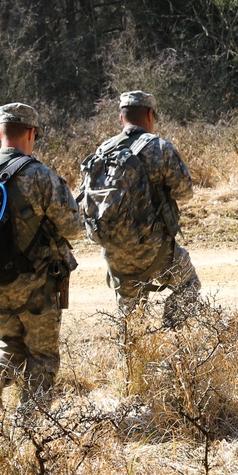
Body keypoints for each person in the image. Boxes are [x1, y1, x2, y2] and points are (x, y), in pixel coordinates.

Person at [0, 103, 81, 411]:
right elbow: (73, 227)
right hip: (38, 285)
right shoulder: (40, 176)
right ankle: (31, 426)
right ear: (31, 134)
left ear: (0, 132)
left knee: (7, 342)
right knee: (42, 355)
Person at [91, 91, 201, 325]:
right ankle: (173, 340)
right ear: (150, 115)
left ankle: (133, 357)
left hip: (114, 250)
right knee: (190, 284)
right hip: (155, 250)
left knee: (130, 316)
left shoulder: (104, 151)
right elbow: (185, 192)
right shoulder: (160, 148)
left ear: (122, 118)